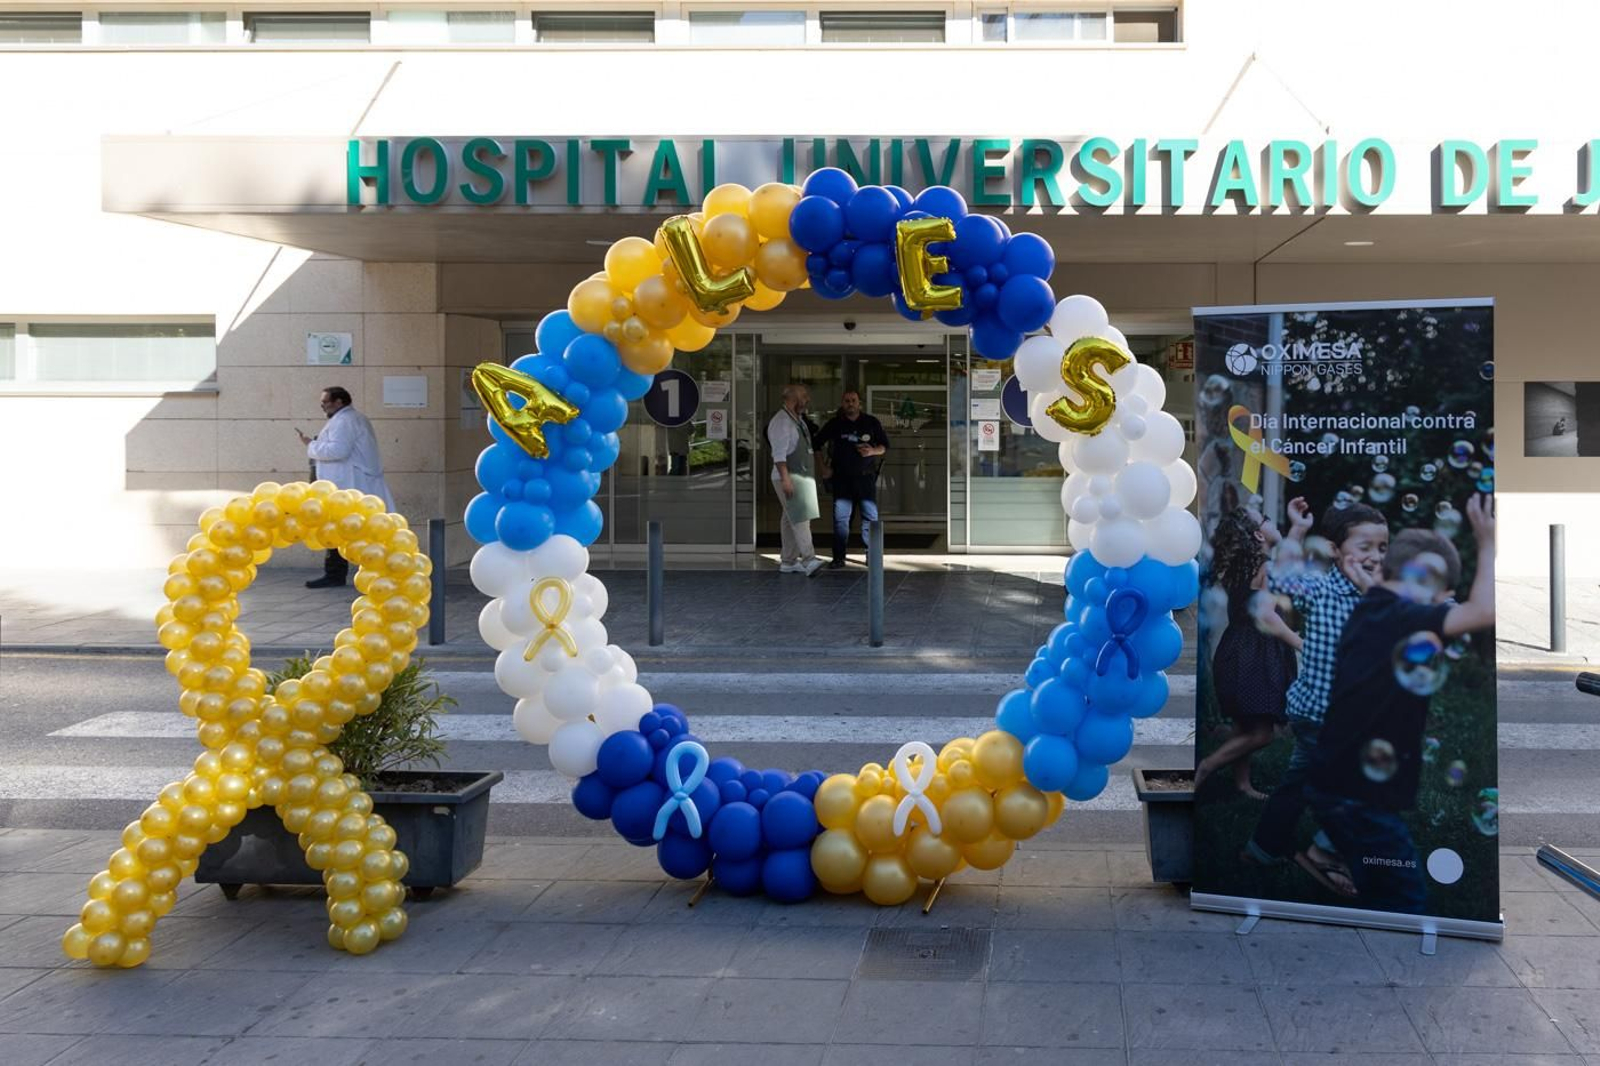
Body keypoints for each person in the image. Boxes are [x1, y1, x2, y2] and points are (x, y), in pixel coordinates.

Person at [1306, 495, 1496, 913]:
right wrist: (1487, 542)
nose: (1446, 604)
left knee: (1373, 877)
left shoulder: (1373, 604)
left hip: (1332, 777)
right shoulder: (1408, 617)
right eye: (1444, 595)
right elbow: (1484, 611)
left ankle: (1328, 856)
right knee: (1407, 898)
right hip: (1360, 794)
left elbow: (1383, 592)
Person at [1242, 497, 1389, 898]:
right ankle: (1323, 852)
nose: (1375, 556)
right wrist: (1298, 530)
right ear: (1337, 550)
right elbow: (1283, 577)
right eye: (1364, 547)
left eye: (1382, 548)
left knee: (1298, 784)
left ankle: (1262, 848)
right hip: (1321, 715)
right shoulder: (1321, 589)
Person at [1197, 506, 1302, 798]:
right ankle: (1207, 766)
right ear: (1258, 534)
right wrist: (1297, 640)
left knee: (1245, 724)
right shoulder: (1265, 568)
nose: (1271, 520)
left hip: (1234, 651)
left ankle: (1242, 785)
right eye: (1266, 519)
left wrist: (1298, 527)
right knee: (1262, 733)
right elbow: (1267, 616)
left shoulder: (1241, 567)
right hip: (1257, 656)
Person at [296, 386, 393, 589]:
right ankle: (341, 572)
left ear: (339, 402)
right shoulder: (349, 419)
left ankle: (337, 574)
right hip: (351, 483)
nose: (322, 406)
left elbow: (338, 450)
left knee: (346, 530)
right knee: (346, 530)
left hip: (351, 484)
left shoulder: (345, 421)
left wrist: (310, 446)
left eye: (326, 402)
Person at [813, 389, 890, 569]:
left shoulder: (871, 422)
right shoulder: (835, 424)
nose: (850, 403)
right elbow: (816, 444)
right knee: (841, 519)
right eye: (847, 401)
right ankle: (838, 558)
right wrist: (823, 468)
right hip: (841, 479)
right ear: (842, 403)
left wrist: (872, 451)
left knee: (870, 518)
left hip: (865, 479)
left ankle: (872, 557)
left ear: (859, 403)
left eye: (853, 400)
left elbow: (884, 446)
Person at [766, 383, 823, 576]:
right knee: (800, 517)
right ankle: (809, 559)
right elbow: (779, 455)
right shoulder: (782, 422)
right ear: (793, 399)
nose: (807, 399)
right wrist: (786, 479)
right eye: (804, 396)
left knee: (789, 518)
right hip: (789, 476)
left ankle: (788, 561)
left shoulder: (797, 420)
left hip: (799, 475)